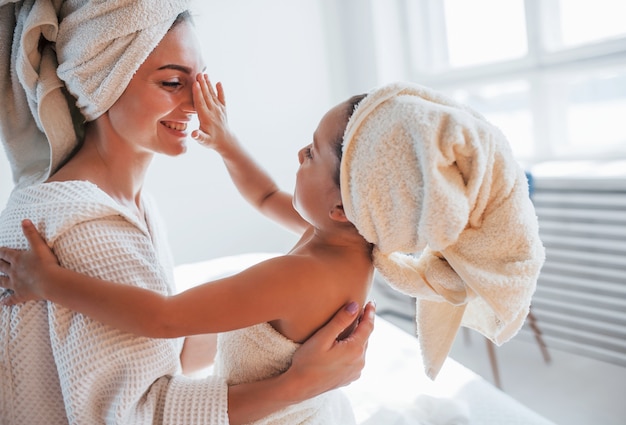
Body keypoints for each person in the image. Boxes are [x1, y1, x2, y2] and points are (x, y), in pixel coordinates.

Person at [3, 78, 547, 419]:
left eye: (310, 153)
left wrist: (49, 282)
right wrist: (226, 142)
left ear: (342, 206)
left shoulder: (301, 276)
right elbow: (265, 195)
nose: (298, 153)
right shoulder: (352, 240)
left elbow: (165, 319)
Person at [0, 2, 374, 425]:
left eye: (199, 83)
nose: (197, 104)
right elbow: (141, 407)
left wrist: (284, 341)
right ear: (103, 80)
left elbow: (162, 344)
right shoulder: (87, 228)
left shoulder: (132, 204)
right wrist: (297, 386)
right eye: (174, 82)